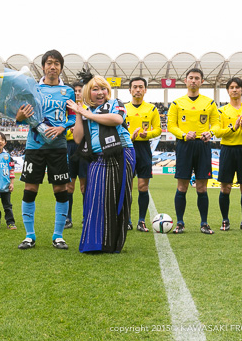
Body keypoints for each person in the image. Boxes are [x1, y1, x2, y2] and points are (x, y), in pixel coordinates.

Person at [15, 49, 76, 250]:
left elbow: (73, 117)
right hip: (35, 147)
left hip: (58, 147)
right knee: (30, 189)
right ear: (43, 67)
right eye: (49, 63)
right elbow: (19, 116)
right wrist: (20, 117)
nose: (52, 66)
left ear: (61, 68)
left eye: (56, 63)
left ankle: (58, 236)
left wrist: (63, 127)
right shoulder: (32, 89)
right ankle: (29, 236)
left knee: (61, 190)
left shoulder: (67, 91)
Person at [67, 75, 135, 253]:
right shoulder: (85, 110)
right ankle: (94, 243)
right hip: (97, 157)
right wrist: (80, 114)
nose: (100, 93)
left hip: (121, 152)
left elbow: (117, 120)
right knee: (94, 198)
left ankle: (112, 244)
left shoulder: (115, 103)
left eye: (103, 88)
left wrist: (87, 114)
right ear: (89, 92)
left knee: (118, 199)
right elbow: (78, 138)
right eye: (95, 89)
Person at [166, 68, 220, 234]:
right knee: (182, 187)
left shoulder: (210, 103)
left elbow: (217, 124)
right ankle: (180, 223)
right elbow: (170, 126)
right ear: (185, 80)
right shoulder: (176, 103)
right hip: (184, 146)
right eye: (191, 78)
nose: (194, 81)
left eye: (197, 78)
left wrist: (210, 132)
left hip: (202, 146)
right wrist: (183, 134)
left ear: (202, 81)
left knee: (202, 188)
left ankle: (204, 223)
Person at [214, 77, 242, 232]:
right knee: (225, 187)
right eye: (231, 87)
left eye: (237, 87)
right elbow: (218, 132)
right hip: (227, 150)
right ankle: (225, 220)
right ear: (227, 91)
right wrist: (234, 127)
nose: (234, 90)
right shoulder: (221, 111)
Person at [125, 77, 161, 232]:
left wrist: (148, 134)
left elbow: (158, 130)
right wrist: (129, 136)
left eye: (141, 87)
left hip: (144, 148)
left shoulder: (152, 109)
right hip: (127, 148)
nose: (138, 90)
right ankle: (127, 220)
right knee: (126, 187)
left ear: (145, 90)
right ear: (130, 90)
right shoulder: (124, 108)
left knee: (142, 186)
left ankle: (141, 221)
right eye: (135, 87)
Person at [65, 80, 88, 229]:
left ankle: (86, 217)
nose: (77, 93)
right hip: (69, 147)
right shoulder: (66, 108)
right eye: (75, 91)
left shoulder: (89, 108)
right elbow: (60, 127)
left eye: (80, 90)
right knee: (69, 185)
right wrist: (70, 130)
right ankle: (68, 218)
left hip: (85, 148)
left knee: (84, 186)